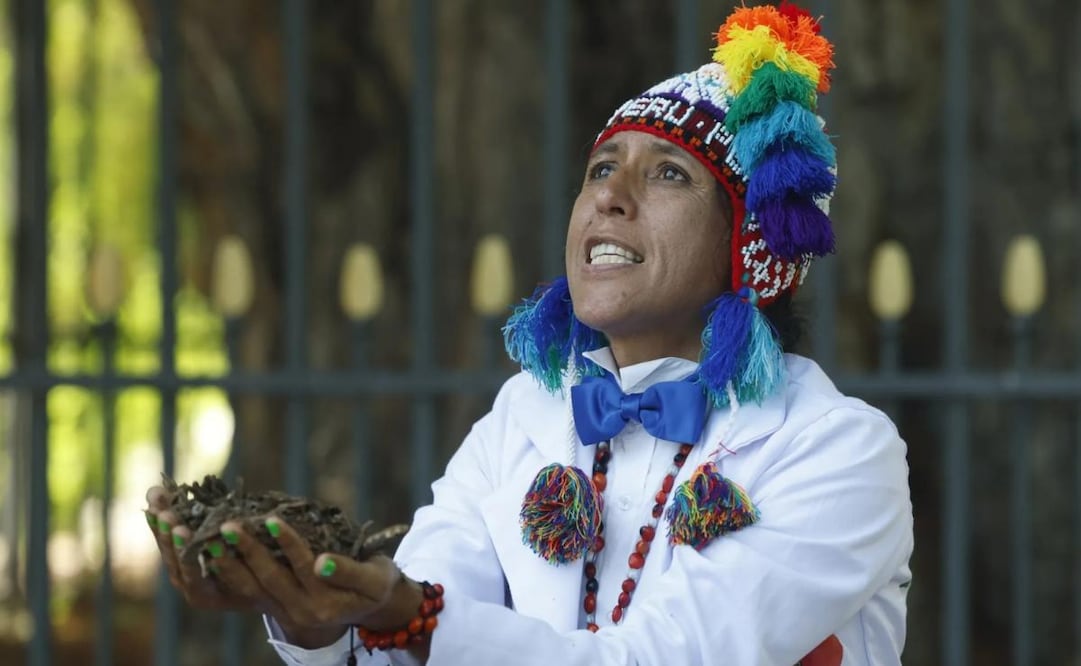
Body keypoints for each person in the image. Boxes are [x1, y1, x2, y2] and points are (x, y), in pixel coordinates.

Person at [145, 3, 913, 664]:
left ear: (748, 248)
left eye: (668, 174)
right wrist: (315, 623)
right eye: (600, 167)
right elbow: (417, 627)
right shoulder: (527, 416)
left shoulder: (837, 450)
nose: (609, 195)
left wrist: (403, 613)